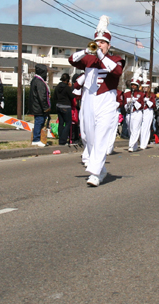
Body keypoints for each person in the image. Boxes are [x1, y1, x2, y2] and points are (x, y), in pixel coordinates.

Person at [68, 15, 124, 186]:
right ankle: (101, 170)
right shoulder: (88, 59)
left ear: (109, 45)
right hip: (89, 100)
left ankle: (94, 173)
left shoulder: (116, 59)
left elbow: (116, 71)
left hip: (106, 100)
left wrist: (100, 55)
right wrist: (87, 51)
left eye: (102, 43)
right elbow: (72, 59)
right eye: (97, 42)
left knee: (100, 137)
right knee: (87, 136)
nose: (99, 45)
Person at [30, 64, 50, 147]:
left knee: (40, 122)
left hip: (37, 106)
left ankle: (40, 139)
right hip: (39, 107)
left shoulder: (35, 80)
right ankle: (36, 139)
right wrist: (46, 107)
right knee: (39, 122)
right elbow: (42, 96)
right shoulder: (39, 82)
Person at [124, 69, 144, 152]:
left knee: (135, 129)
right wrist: (128, 104)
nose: (133, 86)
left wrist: (135, 101)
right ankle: (135, 145)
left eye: (135, 85)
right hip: (129, 114)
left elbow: (141, 106)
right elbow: (124, 106)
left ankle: (131, 146)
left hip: (137, 113)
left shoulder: (141, 94)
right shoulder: (126, 94)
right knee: (131, 130)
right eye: (132, 85)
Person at [54, 73, 73, 145]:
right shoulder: (67, 88)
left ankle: (60, 139)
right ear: (67, 80)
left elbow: (54, 97)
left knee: (61, 123)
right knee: (68, 123)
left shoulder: (57, 86)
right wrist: (71, 88)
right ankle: (63, 140)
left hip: (58, 106)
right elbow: (71, 96)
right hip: (66, 106)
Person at [140, 82, 155, 149]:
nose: (145, 88)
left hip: (148, 111)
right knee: (141, 128)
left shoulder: (151, 95)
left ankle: (144, 143)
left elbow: (153, 105)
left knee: (146, 127)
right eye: (144, 87)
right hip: (141, 111)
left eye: (146, 87)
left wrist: (147, 101)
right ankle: (142, 142)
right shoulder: (140, 94)